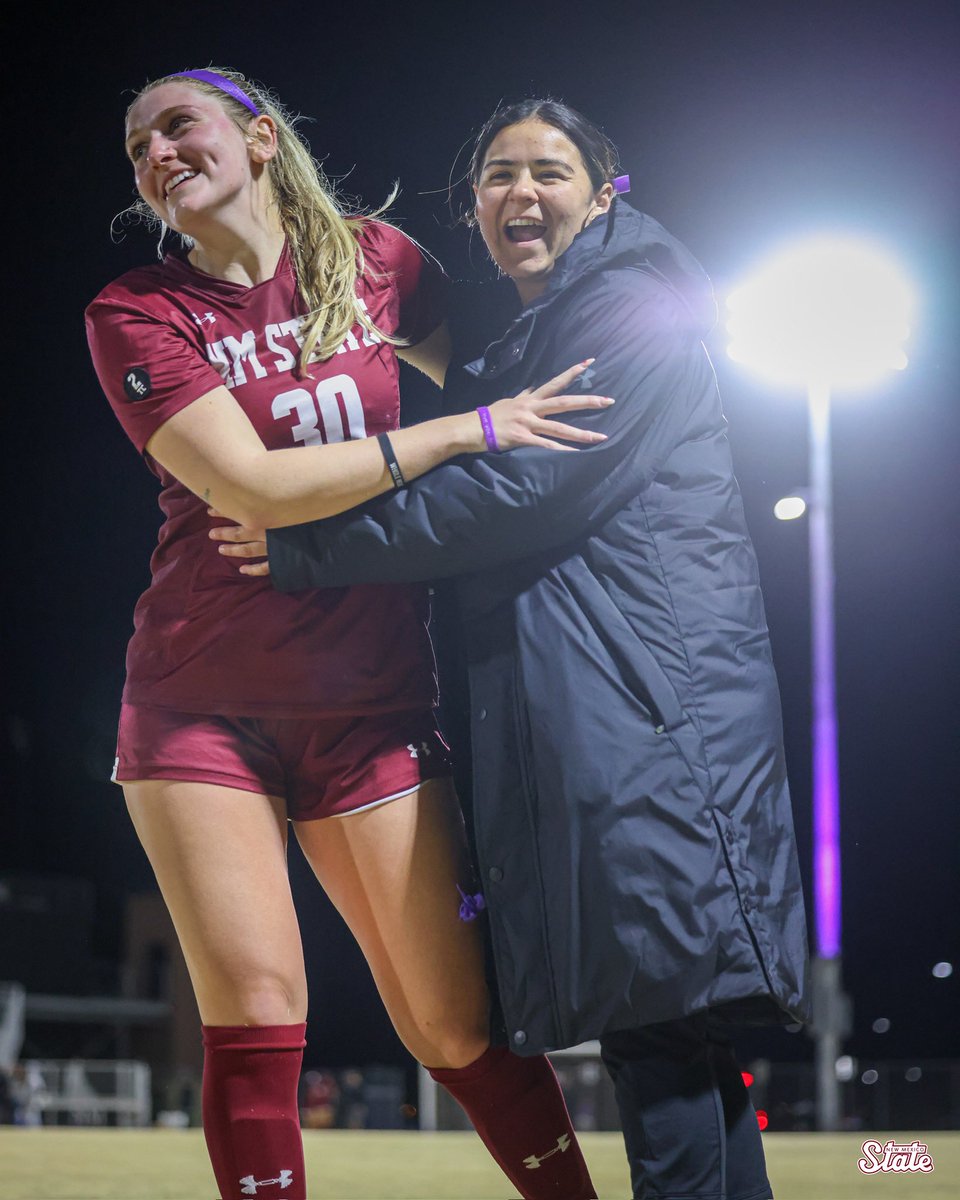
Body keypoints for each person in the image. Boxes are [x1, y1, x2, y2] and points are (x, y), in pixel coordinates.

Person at [226, 99, 812, 1200]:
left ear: (605, 193)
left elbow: (514, 495)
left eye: (549, 171)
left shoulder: (635, 309)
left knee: (663, 1031)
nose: (520, 194)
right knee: (675, 1044)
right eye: (497, 176)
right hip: (601, 715)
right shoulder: (531, 339)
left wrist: (307, 546)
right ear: (474, 208)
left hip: (648, 723)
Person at [85, 70, 609, 1200]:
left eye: (180, 126)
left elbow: (505, 369)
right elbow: (252, 488)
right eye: (138, 147)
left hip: (374, 698)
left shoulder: (379, 264)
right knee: (261, 1012)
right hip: (199, 702)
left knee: (454, 1026)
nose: (158, 154)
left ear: (261, 139)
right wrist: (457, 436)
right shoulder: (136, 310)